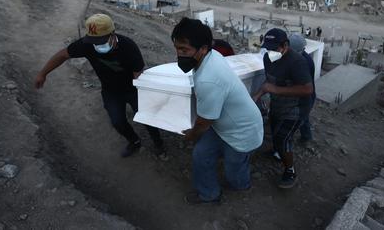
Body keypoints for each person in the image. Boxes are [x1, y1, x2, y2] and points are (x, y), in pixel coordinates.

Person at [34, 13, 165, 158]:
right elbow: (62, 55)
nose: (98, 45)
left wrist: (151, 98)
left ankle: (158, 143)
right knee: (117, 122)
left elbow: (138, 76)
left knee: (147, 117)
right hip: (111, 92)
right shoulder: (86, 45)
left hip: (133, 89)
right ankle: (134, 141)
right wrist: (43, 73)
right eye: (94, 41)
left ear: (112, 34)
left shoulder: (128, 47)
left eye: (101, 40)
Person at [172, 17, 263, 204]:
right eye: (177, 48)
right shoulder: (212, 56)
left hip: (242, 131)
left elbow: (204, 122)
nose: (179, 54)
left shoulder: (209, 79)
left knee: (234, 170)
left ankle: (242, 185)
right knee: (201, 155)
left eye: (184, 50)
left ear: (203, 48)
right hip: (224, 125)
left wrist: (191, 135)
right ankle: (209, 194)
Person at [253, 28, 313, 189]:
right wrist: (257, 97)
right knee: (274, 131)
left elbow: (308, 89)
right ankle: (278, 153)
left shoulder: (297, 62)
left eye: (274, 48)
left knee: (283, 138)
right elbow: (269, 83)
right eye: (268, 48)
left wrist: (274, 90)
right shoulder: (267, 58)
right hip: (278, 104)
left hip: (296, 107)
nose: (270, 51)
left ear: (285, 45)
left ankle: (290, 170)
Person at [289, 33, 316, 143]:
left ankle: (305, 138)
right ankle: (306, 137)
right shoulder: (305, 57)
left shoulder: (304, 62)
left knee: (302, 118)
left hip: (305, 96)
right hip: (307, 95)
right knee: (304, 117)